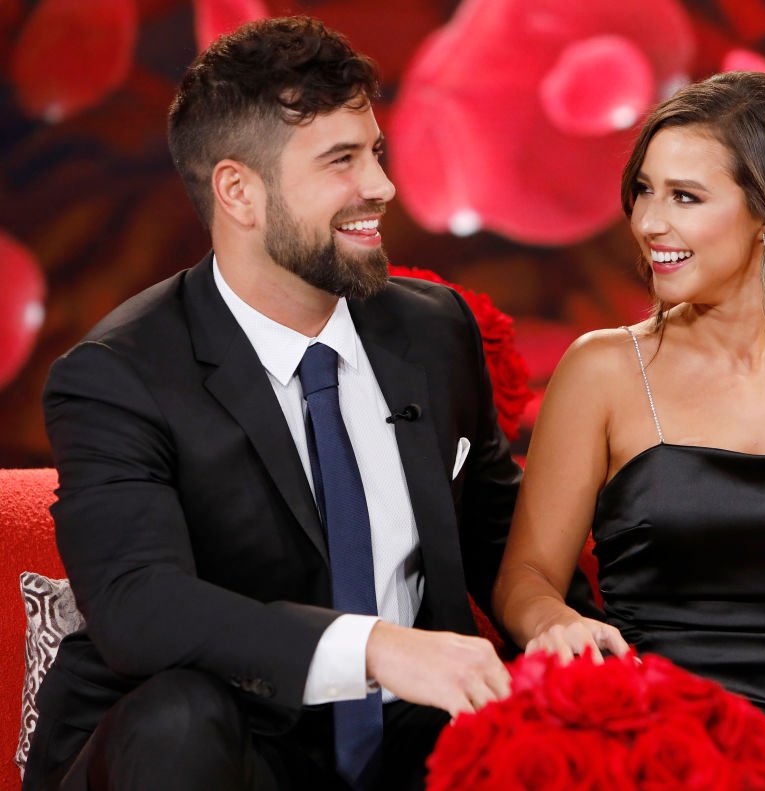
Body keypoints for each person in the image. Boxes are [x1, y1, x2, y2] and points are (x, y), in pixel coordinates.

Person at [24, 16, 519, 791]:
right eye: (342, 160)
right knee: (181, 716)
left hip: (407, 743)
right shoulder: (117, 376)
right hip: (211, 750)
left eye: (377, 153)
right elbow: (138, 604)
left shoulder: (435, 329)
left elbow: (500, 532)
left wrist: (556, 615)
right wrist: (376, 647)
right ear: (238, 191)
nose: (382, 187)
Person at [494, 71, 765, 791]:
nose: (647, 222)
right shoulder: (602, 367)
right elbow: (527, 577)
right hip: (649, 717)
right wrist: (552, 623)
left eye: (684, 197)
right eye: (644, 189)